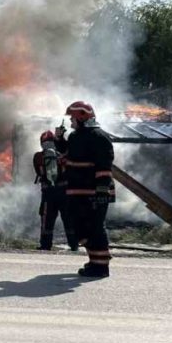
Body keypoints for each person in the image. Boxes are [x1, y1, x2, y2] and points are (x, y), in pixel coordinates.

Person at [62, 101, 115, 278]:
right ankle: (95, 260)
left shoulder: (100, 137)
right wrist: (59, 141)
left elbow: (104, 166)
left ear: (82, 117)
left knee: (95, 228)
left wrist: (101, 190)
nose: (70, 121)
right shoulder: (76, 137)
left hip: (93, 193)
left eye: (73, 117)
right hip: (77, 192)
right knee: (78, 227)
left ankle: (100, 266)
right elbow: (70, 157)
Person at [33, 130, 76, 251]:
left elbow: (38, 171)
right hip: (64, 192)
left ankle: (45, 245)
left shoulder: (38, 157)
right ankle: (74, 244)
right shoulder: (64, 156)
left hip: (48, 193)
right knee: (68, 218)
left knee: (47, 219)